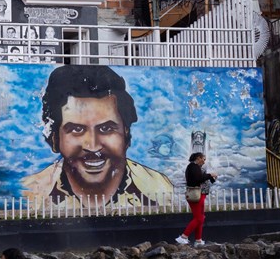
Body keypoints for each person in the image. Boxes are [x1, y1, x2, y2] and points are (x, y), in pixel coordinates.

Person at [21, 66, 174, 208]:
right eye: (76, 129)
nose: (93, 146)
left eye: (106, 128)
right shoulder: (31, 194)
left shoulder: (159, 188)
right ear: (55, 139)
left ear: (126, 133)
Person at [175, 152, 216, 247]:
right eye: (203, 159)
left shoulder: (196, 167)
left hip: (200, 195)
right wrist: (210, 175)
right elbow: (198, 179)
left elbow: (202, 178)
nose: (204, 161)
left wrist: (211, 177)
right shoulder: (193, 166)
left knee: (200, 218)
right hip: (196, 195)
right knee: (199, 218)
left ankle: (198, 240)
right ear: (198, 158)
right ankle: (183, 237)